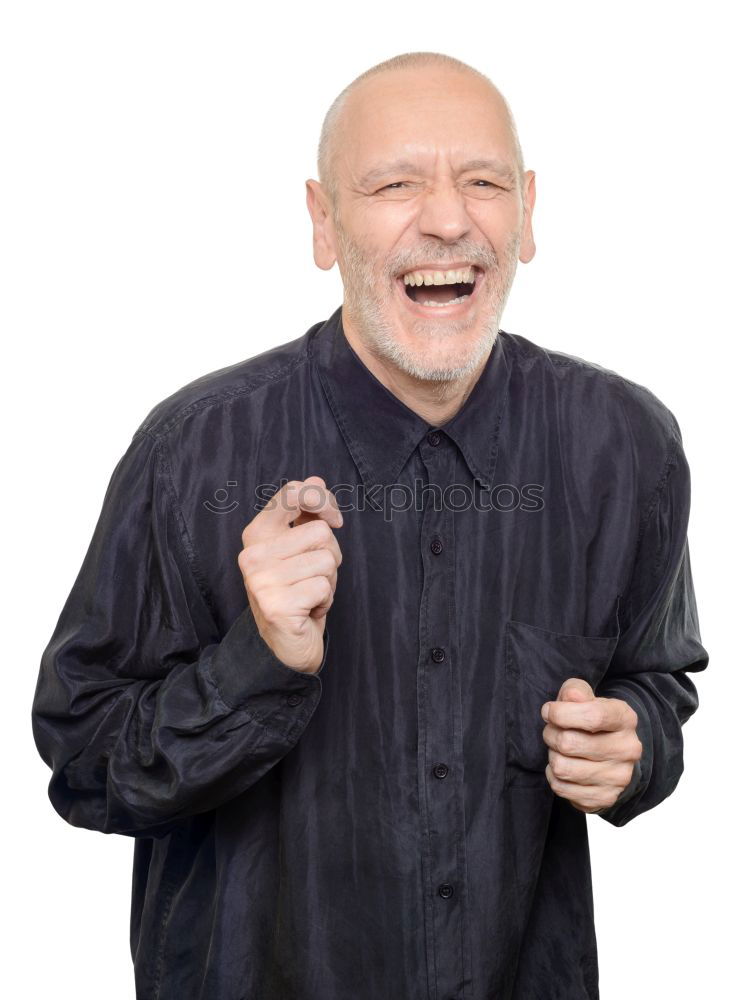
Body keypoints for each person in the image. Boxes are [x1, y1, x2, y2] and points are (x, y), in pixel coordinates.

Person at [31, 50, 709, 1000]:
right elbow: (84, 765)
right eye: (394, 184)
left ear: (527, 213)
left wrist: (633, 741)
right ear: (323, 221)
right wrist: (255, 660)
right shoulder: (193, 451)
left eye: (484, 181)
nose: (446, 218)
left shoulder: (624, 446)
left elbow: (657, 686)